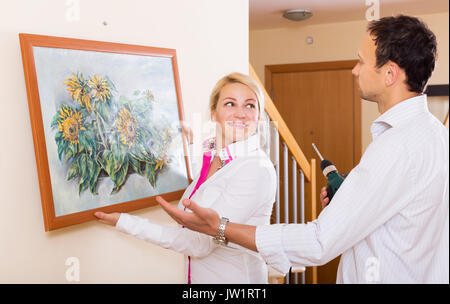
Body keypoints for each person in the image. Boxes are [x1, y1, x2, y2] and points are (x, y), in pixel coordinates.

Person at [156, 15, 449, 283]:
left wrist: (220, 227)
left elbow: (318, 242)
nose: (354, 70)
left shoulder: (398, 145)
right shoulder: (434, 134)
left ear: (389, 74)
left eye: (361, 62)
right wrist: (352, 202)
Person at [94, 72, 276, 284]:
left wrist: (125, 222)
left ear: (259, 116)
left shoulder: (255, 169)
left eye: (250, 105)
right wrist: (187, 148)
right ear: (213, 113)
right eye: (230, 104)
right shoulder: (216, 157)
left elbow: (199, 243)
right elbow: (206, 188)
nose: (241, 113)